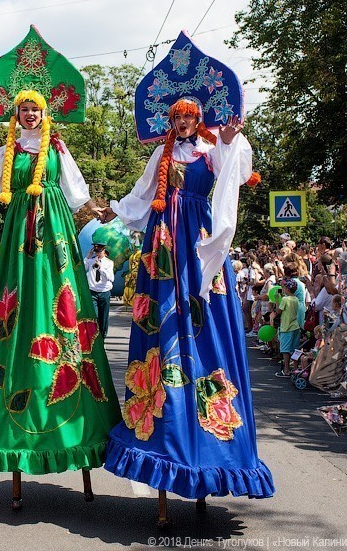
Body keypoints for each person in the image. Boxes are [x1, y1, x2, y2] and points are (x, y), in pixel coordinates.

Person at [98, 93, 274, 501]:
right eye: (177, 117)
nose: (183, 122)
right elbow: (141, 196)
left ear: (199, 119)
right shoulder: (162, 155)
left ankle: (210, 427)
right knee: (163, 324)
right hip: (162, 244)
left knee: (204, 318)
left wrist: (229, 141)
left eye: (189, 116)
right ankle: (163, 422)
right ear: (171, 121)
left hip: (198, 243)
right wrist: (112, 210)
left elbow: (237, 175)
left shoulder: (211, 151)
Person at [0, 83, 121, 505]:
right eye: (24, 108)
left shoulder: (58, 148)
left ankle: (75, 428)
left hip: (54, 233)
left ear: (44, 113)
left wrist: (101, 208)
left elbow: (77, 192)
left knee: (59, 305)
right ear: (16, 113)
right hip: (17, 236)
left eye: (35, 108)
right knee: (18, 313)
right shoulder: (6, 150)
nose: (29, 114)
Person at [85, 232, 114, 339]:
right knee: (94, 316)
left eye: (100, 250)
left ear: (105, 252)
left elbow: (111, 278)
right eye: (96, 250)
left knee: (103, 318)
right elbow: (82, 267)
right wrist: (88, 256)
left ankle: (102, 338)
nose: (98, 252)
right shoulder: (91, 260)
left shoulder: (109, 263)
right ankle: (94, 338)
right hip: (92, 292)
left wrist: (101, 268)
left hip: (104, 293)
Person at [275, 280, 300, 378]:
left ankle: (286, 370)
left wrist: (277, 300)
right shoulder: (296, 299)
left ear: (288, 289)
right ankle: (295, 369)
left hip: (286, 327)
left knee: (285, 350)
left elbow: (278, 311)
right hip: (295, 326)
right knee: (294, 349)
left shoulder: (285, 299)